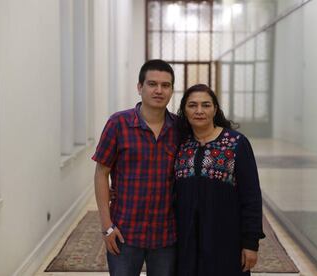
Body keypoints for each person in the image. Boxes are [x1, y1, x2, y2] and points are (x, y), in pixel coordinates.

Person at [92, 59, 178, 276]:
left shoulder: (180, 128)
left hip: (166, 234)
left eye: (165, 85)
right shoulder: (118, 124)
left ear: (172, 90)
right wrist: (107, 226)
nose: (159, 90)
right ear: (140, 88)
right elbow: (101, 173)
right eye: (152, 84)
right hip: (124, 232)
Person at [174, 84, 265, 276]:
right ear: (184, 110)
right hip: (186, 244)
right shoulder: (180, 144)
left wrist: (250, 244)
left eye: (206, 105)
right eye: (192, 105)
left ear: (215, 109)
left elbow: (251, 197)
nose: (199, 111)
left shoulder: (236, 143)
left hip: (226, 243)